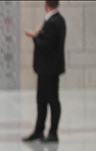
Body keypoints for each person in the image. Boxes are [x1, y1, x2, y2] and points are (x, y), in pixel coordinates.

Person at [24, 0, 66, 143]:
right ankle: (39, 130)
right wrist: (40, 34)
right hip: (47, 69)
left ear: (46, 4)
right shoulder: (57, 20)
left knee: (52, 100)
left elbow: (46, 45)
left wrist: (35, 37)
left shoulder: (53, 22)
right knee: (41, 100)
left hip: (49, 69)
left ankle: (53, 132)